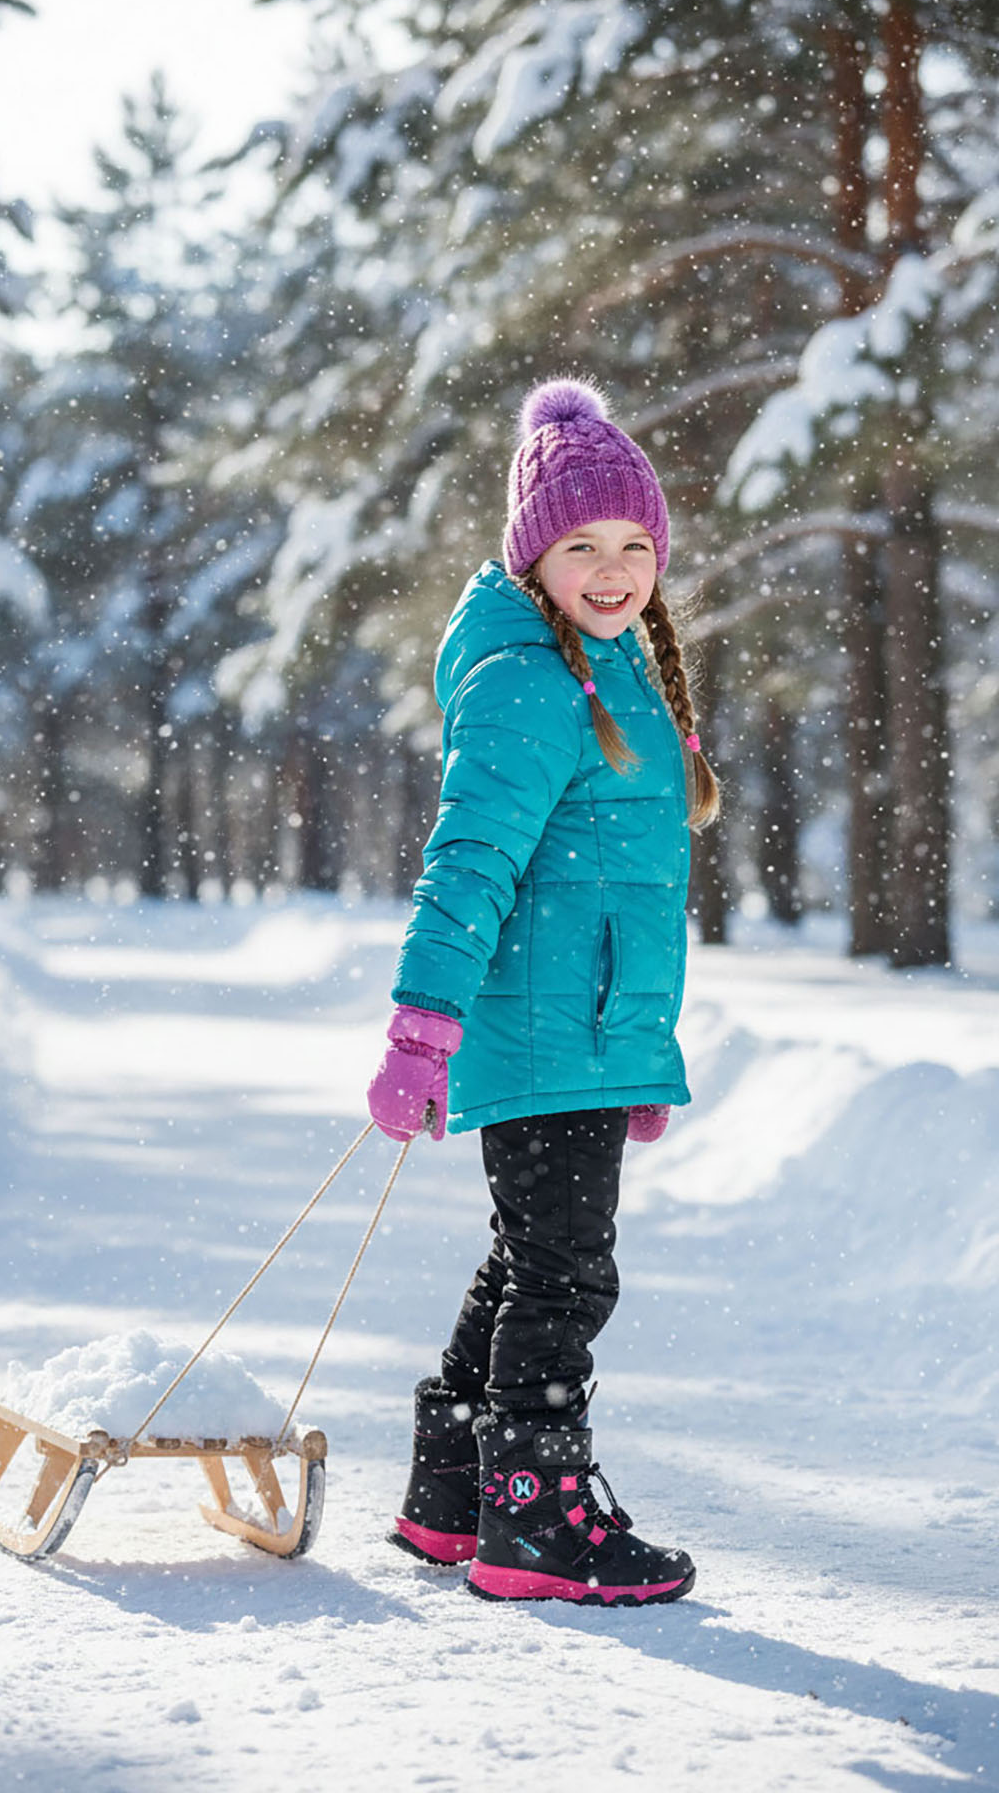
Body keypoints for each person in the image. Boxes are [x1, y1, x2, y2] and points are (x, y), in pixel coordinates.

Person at [367, 378, 719, 1606]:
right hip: (536, 1032)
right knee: (568, 1276)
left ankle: (453, 1492)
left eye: (635, 545)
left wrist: (635, 1044)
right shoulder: (531, 680)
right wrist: (422, 1027)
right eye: (583, 545)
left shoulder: (608, 663)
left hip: (577, 1033)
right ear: (535, 555)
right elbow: (470, 862)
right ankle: (538, 1517)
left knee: (530, 1257)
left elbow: (615, 880)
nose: (615, 569)